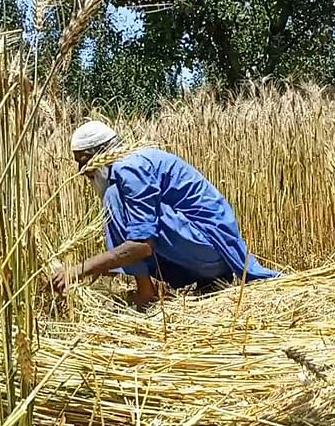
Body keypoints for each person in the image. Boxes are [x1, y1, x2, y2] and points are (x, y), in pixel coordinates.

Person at [52, 120, 280, 307]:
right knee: (128, 212)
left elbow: (142, 245)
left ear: (92, 157)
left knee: (115, 198)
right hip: (207, 253)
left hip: (212, 249)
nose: (82, 174)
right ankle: (190, 283)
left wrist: (80, 270)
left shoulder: (129, 169)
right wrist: (90, 270)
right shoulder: (133, 162)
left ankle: (146, 293)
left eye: (82, 164)